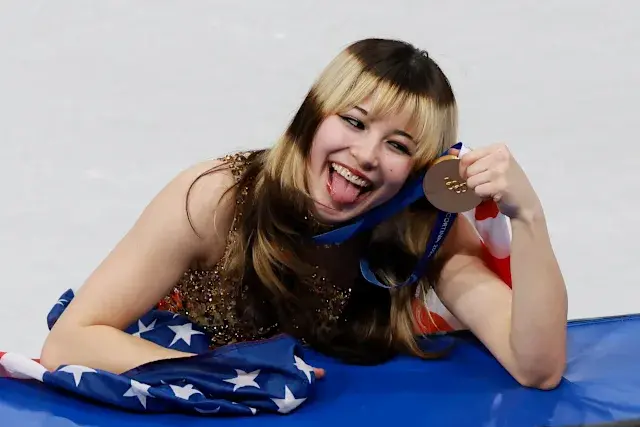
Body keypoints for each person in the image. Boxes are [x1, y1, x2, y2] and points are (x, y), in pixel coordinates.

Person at [39, 38, 568, 390]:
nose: (365, 155)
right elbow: (69, 340)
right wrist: (230, 376)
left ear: (418, 170)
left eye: (398, 145)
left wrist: (529, 216)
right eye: (354, 122)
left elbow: (537, 368)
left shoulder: (418, 232)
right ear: (311, 117)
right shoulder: (215, 198)